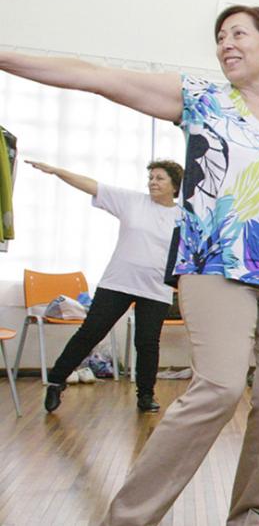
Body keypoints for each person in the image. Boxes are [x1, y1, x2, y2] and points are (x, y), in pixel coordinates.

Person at [1, 5, 259, 524]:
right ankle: (129, 517)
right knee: (220, 386)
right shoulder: (203, 99)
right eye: (220, 37)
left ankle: (249, 513)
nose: (225, 44)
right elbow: (95, 77)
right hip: (216, 267)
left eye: (238, 34)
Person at [28, 159, 183, 413]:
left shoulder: (183, 217)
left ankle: (146, 395)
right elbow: (92, 186)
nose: (152, 182)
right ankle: (56, 381)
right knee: (90, 333)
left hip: (156, 288)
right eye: (151, 177)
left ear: (175, 186)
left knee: (147, 343)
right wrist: (57, 171)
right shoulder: (132, 202)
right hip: (118, 282)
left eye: (160, 178)